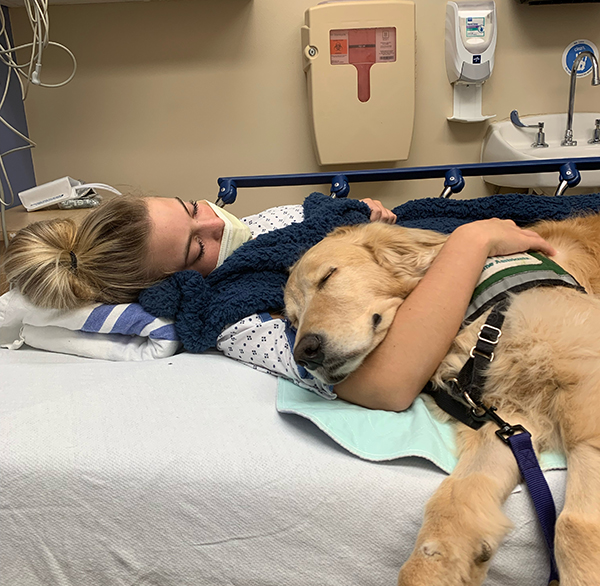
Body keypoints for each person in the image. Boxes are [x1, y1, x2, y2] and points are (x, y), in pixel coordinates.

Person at [2, 193, 556, 411]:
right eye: (199, 246)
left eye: (196, 206)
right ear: (166, 284)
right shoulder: (234, 310)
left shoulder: (269, 221)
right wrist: (471, 242)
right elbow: (383, 386)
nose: (219, 225)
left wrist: (363, 219)